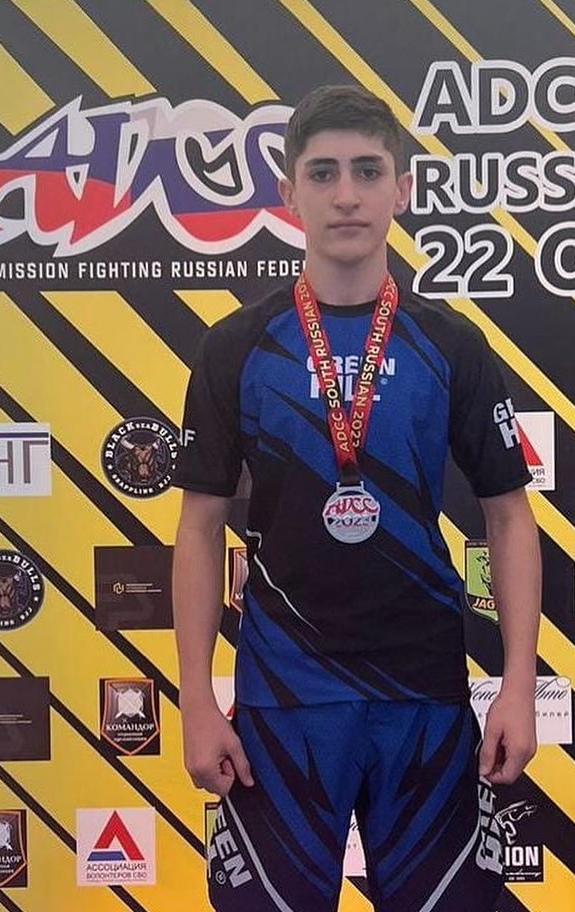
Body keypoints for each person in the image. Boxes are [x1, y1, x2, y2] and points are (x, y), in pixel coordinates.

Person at [172, 85, 541, 912]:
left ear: (401, 188)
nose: (346, 194)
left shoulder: (451, 343)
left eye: (368, 171)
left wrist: (517, 684)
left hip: (423, 696)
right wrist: (196, 698)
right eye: (323, 172)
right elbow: (197, 529)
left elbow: (509, 516)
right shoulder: (236, 346)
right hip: (282, 699)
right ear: (288, 192)